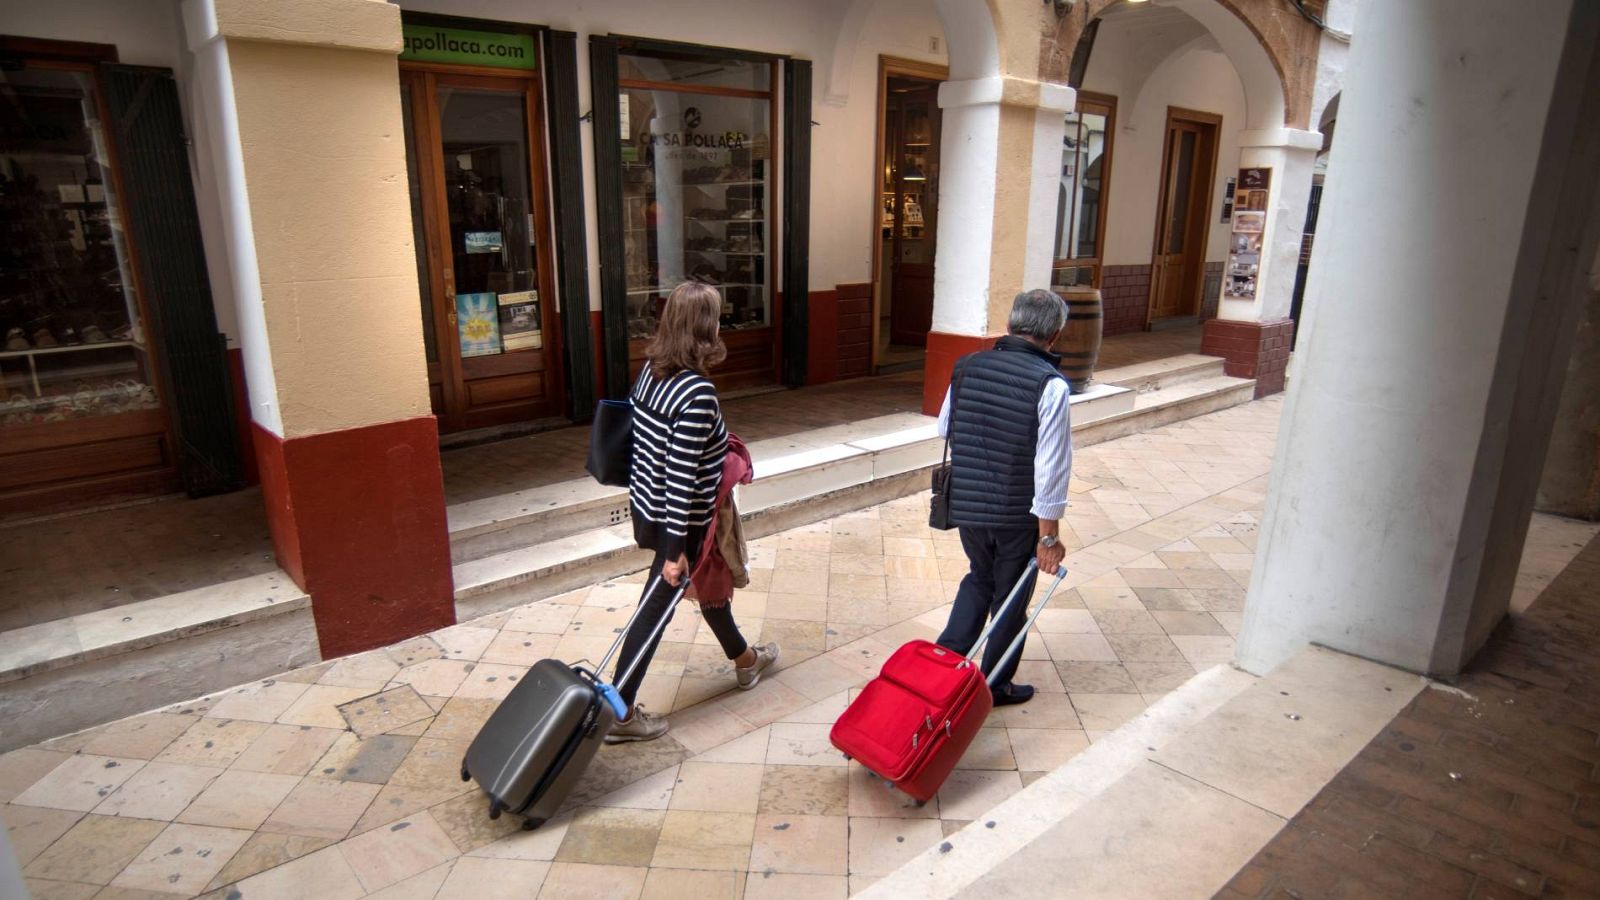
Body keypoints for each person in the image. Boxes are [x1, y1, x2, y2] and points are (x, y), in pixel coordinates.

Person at [607, 282, 779, 743]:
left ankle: (745, 660)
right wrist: (673, 551)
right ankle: (620, 714)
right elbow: (681, 476)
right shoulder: (696, 393)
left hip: (649, 508)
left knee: (707, 585)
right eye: (718, 317)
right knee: (656, 608)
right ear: (707, 328)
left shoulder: (650, 372)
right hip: (681, 524)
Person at [934, 288, 1073, 707]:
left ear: (1011, 325)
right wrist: (1048, 538)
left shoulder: (967, 366)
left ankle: (943, 665)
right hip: (1017, 516)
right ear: (1054, 336)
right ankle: (994, 685)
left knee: (980, 576)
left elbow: (945, 428)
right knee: (1011, 597)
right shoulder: (1050, 386)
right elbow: (1051, 469)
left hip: (969, 505)